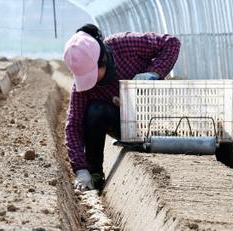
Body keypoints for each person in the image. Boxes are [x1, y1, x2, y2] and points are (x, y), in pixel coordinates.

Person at [63, 24, 180, 191]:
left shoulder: (124, 45)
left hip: (154, 115)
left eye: (93, 74)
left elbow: (171, 43)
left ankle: (155, 137)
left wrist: (153, 73)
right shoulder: (83, 88)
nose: (92, 81)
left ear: (102, 59)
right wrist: (81, 170)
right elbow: (73, 126)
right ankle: (95, 173)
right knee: (95, 111)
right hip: (121, 124)